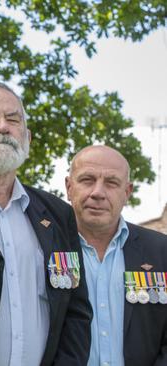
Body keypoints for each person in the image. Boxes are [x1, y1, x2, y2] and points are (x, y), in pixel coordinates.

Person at [0, 82, 92, 365]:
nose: (3, 127)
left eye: (13, 119)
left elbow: (76, 311)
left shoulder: (57, 214)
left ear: (26, 136)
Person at [66, 145, 167, 365]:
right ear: (69, 186)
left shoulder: (161, 251)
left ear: (127, 192)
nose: (98, 193)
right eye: (87, 180)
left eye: (111, 183)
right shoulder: (45, 247)